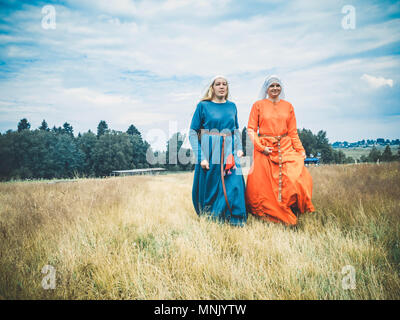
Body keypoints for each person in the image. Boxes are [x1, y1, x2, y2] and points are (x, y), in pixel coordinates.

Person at [245, 75, 315, 225]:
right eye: (272, 86)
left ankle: (292, 208)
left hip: (285, 146)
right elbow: (251, 129)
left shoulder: (288, 106)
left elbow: (293, 132)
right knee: (264, 185)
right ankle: (268, 215)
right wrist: (261, 147)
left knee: (299, 178)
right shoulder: (258, 105)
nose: (275, 88)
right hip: (265, 147)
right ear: (266, 89)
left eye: (277, 85)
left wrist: (300, 150)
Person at [189, 76, 247, 226]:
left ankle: (236, 219)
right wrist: (201, 156)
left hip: (229, 151)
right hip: (210, 151)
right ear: (212, 88)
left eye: (224, 84)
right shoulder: (203, 106)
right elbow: (193, 132)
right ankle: (213, 218)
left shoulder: (232, 106)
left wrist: (239, 148)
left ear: (227, 88)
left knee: (235, 182)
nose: (221, 86)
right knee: (212, 187)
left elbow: (235, 129)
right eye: (218, 84)